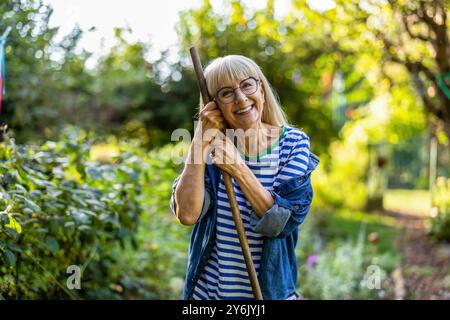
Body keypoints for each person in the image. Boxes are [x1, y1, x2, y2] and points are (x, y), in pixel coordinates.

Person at [170, 54, 319, 300]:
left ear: (261, 89)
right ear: (214, 105)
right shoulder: (209, 148)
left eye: (247, 84)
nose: (241, 98)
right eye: (226, 93)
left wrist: (237, 167)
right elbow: (186, 214)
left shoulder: (293, 143)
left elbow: (282, 223)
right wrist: (199, 140)